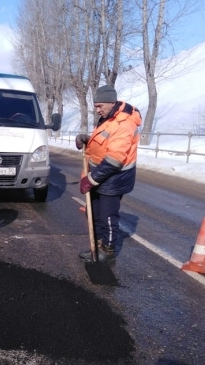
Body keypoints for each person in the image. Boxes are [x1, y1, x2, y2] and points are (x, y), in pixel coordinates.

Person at [76, 85, 142, 262]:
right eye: (96, 106)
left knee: (107, 216)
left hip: (114, 178)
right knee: (94, 212)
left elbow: (114, 159)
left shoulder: (124, 124)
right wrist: (87, 140)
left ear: (111, 103)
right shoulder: (108, 117)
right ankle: (96, 247)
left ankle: (108, 250)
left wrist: (90, 180)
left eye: (100, 106)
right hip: (101, 173)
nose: (97, 111)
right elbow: (105, 143)